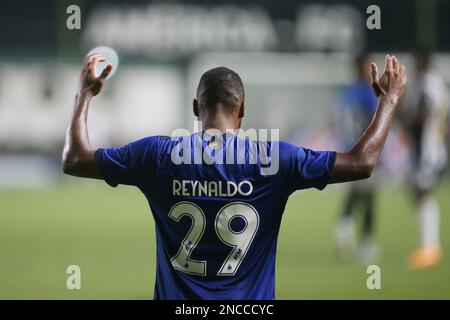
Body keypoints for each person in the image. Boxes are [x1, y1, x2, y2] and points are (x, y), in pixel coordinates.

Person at [62, 54, 406, 299]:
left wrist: (83, 95)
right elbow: (362, 162)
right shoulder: (274, 158)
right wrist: (388, 101)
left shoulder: (156, 155)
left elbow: (75, 159)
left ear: (196, 108)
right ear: (242, 108)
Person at [404, 52, 449, 269]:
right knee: (419, 193)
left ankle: (429, 248)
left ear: (423, 61)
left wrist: (405, 118)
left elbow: (422, 115)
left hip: (427, 150)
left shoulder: (425, 84)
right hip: (436, 147)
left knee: (422, 194)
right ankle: (429, 246)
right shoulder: (440, 83)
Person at [335, 54, 379, 264]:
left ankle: (343, 232)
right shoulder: (367, 92)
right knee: (369, 197)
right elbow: (374, 123)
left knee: (353, 196)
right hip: (364, 153)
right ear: (361, 67)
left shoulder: (346, 93)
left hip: (346, 152)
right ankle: (366, 245)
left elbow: (340, 122)